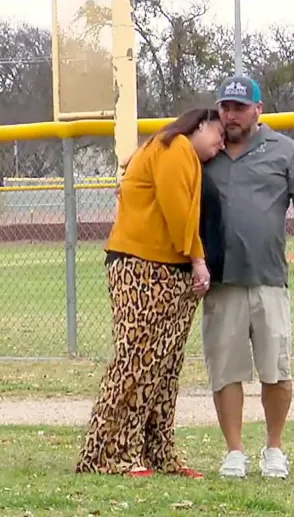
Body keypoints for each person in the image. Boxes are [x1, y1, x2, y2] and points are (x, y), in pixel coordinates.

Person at [75, 107, 226, 479]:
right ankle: (108, 453)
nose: (220, 145)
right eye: (218, 135)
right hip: (142, 267)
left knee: (164, 368)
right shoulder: (173, 147)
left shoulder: (177, 153)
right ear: (201, 124)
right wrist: (197, 258)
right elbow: (178, 212)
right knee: (136, 362)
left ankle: (158, 451)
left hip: (169, 271)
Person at [200, 76, 294, 479]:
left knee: (276, 368)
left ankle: (274, 448)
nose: (230, 115)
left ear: (257, 109)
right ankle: (234, 451)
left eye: (238, 107)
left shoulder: (284, 150)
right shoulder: (207, 150)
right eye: (224, 107)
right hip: (220, 280)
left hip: (269, 277)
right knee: (225, 369)